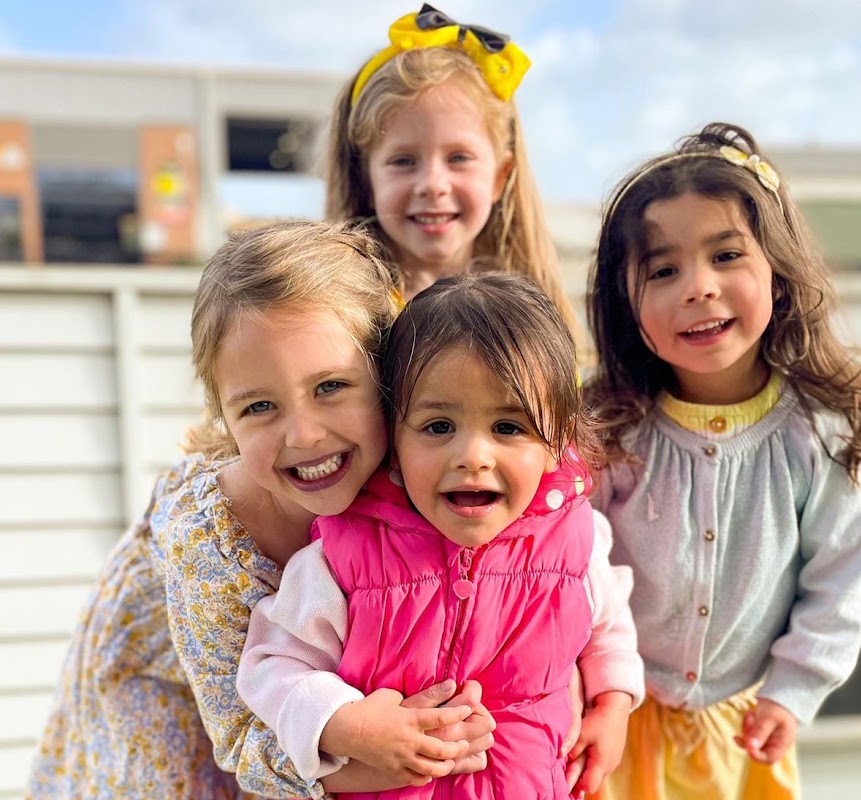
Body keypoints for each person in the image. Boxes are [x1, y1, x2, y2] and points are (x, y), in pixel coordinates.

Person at [27, 221, 497, 800]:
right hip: (163, 694)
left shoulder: (428, 466)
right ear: (224, 417)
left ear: (389, 378)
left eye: (330, 387)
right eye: (259, 407)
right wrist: (372, 762)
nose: (304, 435)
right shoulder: (207, 540)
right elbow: (238, 738)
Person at [237, 272, 646, 799]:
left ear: (556, 441)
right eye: (438, 427)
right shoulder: (346, 555)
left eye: (508, 427)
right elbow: (273, 665)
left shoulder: (576, 540)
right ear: (394, 441)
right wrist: (344, 724)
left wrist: (613, 704)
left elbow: (608, 627)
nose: (472, 456)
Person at [584, 122, 861, 799]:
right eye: (663, 270)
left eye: (726, 255)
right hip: (613, 720)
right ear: (625, 303)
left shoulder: (822, 435)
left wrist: (792, 691)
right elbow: (576, 570)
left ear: (778, 272)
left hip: (742, 731)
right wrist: (595, 686)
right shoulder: (606, 432)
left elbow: (839, 580)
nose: (698, 287)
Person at [323, 3, 577, 330]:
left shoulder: (531, 319)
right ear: (366, 181)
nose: (433, 184)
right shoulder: (340, 321)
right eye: (403, 161)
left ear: (500, 177)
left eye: (458, 158)